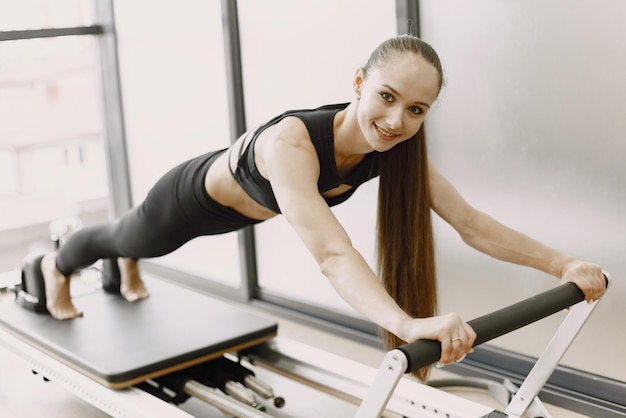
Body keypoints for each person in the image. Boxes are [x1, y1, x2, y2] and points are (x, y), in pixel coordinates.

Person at [39, 34, 606, 381]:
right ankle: (56, 265)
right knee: (129, 238)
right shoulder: (290, 144)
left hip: (250, 210)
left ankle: (123, 264)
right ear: (359, 82)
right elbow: (333, 254)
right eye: (386, 97)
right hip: (192, 201)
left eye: (416, 110)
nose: (395, 121)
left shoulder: (397, 151)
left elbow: (469, 222)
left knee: (132, 248)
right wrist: (405, 323)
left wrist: (563, 265)